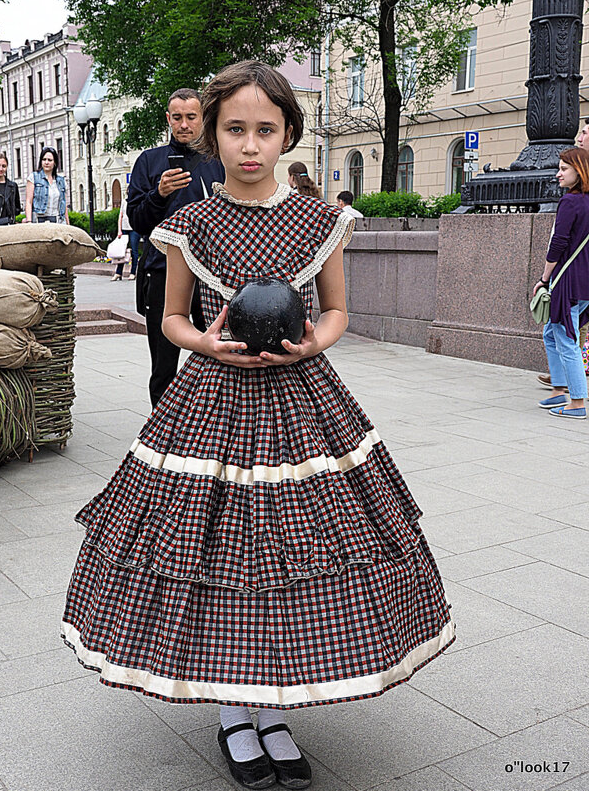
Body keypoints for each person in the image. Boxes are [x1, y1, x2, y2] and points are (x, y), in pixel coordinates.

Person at [61, 61, 454, 791]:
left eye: (265, 130)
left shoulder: (319, 220)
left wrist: (317, 339)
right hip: (211, 403)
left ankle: (273, 711)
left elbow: (336, 309)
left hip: (303, 401)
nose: (249, 144)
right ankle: (234, 715)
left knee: (292, 555)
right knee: (223, 553)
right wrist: (204, 341)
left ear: (288, 135)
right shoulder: (188, 225)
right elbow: (173, 317)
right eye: (234, 129)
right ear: (211, 135)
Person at [127, 88, 225, 407]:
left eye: (191, 117)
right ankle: (163, 438)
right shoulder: (149, 161)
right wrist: (158, 194)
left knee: (217, 358)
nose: (184, 124)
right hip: (162, 274)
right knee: (164, 368)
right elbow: (137, 221)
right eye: (178, 117)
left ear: (202, 118)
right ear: (168, 119)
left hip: (212, 278)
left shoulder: (220, 161)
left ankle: (210, 427)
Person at [534, 147, 589, 419]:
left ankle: (577, 402)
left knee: (567, 338)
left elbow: (558, 243)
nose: (558, 173)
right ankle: (559, 390)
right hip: (585, 281)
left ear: (579, 172)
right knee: (552, 332)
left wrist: (544, 279)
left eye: (564, 169)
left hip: (568, 280)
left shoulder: (570, 202)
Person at [25, 147, 69, 224]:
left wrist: (68, 224)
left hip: (58, 221)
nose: (46, 162)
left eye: (50, 160)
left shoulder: (61, 181)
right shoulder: (33, 177)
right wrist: (29, 221)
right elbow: (29, 202)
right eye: (44, 159)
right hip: (39, 221)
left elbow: (64, 205)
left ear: (55, 163)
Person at [111, 192, 140, 281]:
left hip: (134, 228)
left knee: (134, 251)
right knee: (121, 251)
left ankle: (132, 273)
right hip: (124, 228)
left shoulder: (137, 201)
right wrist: (119, 230)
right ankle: (118, 273)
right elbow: (121, 216)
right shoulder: (124, 201)